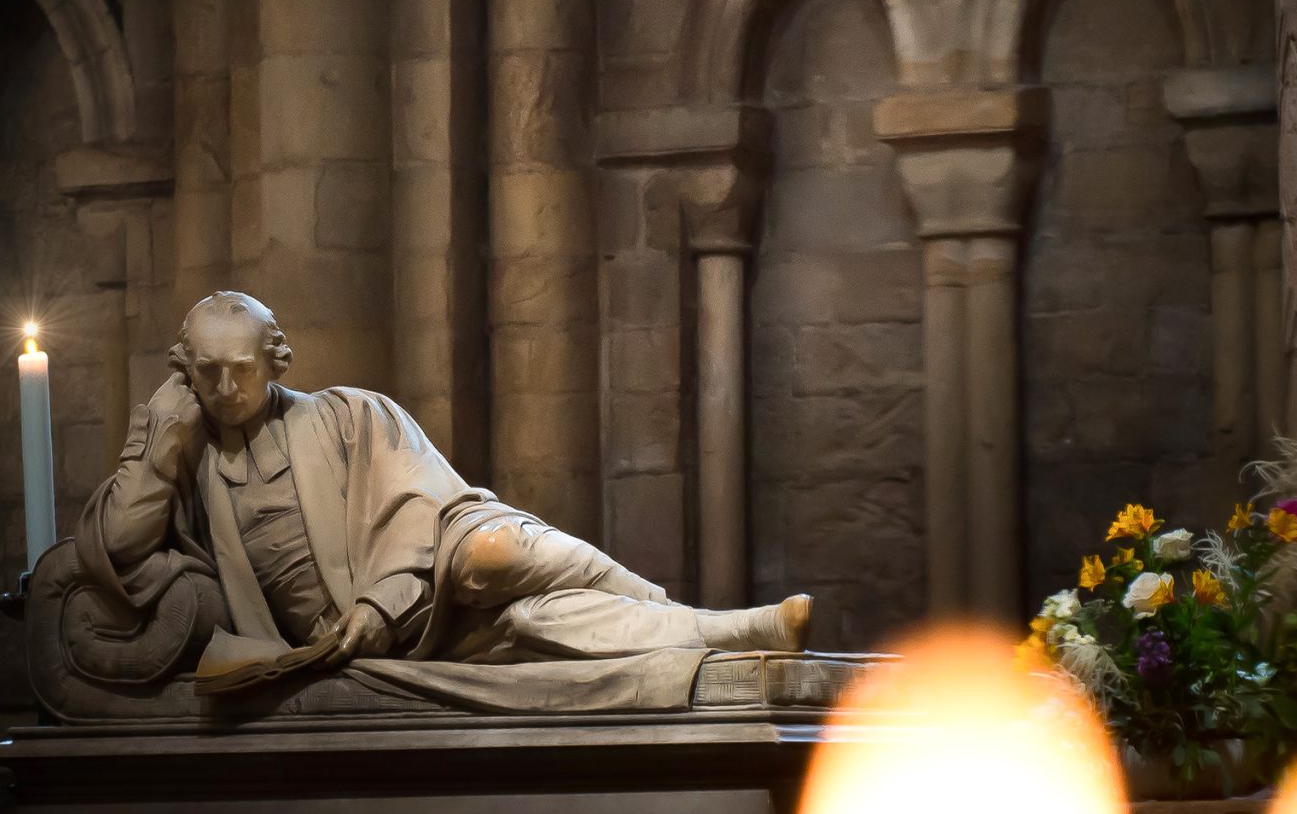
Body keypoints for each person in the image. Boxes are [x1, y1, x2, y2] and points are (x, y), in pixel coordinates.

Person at [76, 293, 810, 687]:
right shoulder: (190, 451)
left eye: (243, 367)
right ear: (186, 370)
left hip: (424, 577)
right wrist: (162, 441)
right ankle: (726, 634)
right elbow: (118, 550)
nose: (228, 387)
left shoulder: (348, 414)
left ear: (276, 360)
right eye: (208, 373)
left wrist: (378, 602)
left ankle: (683, 611)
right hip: (371, 645)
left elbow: (422, 506)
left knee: (489, 555)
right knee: (540, 626)